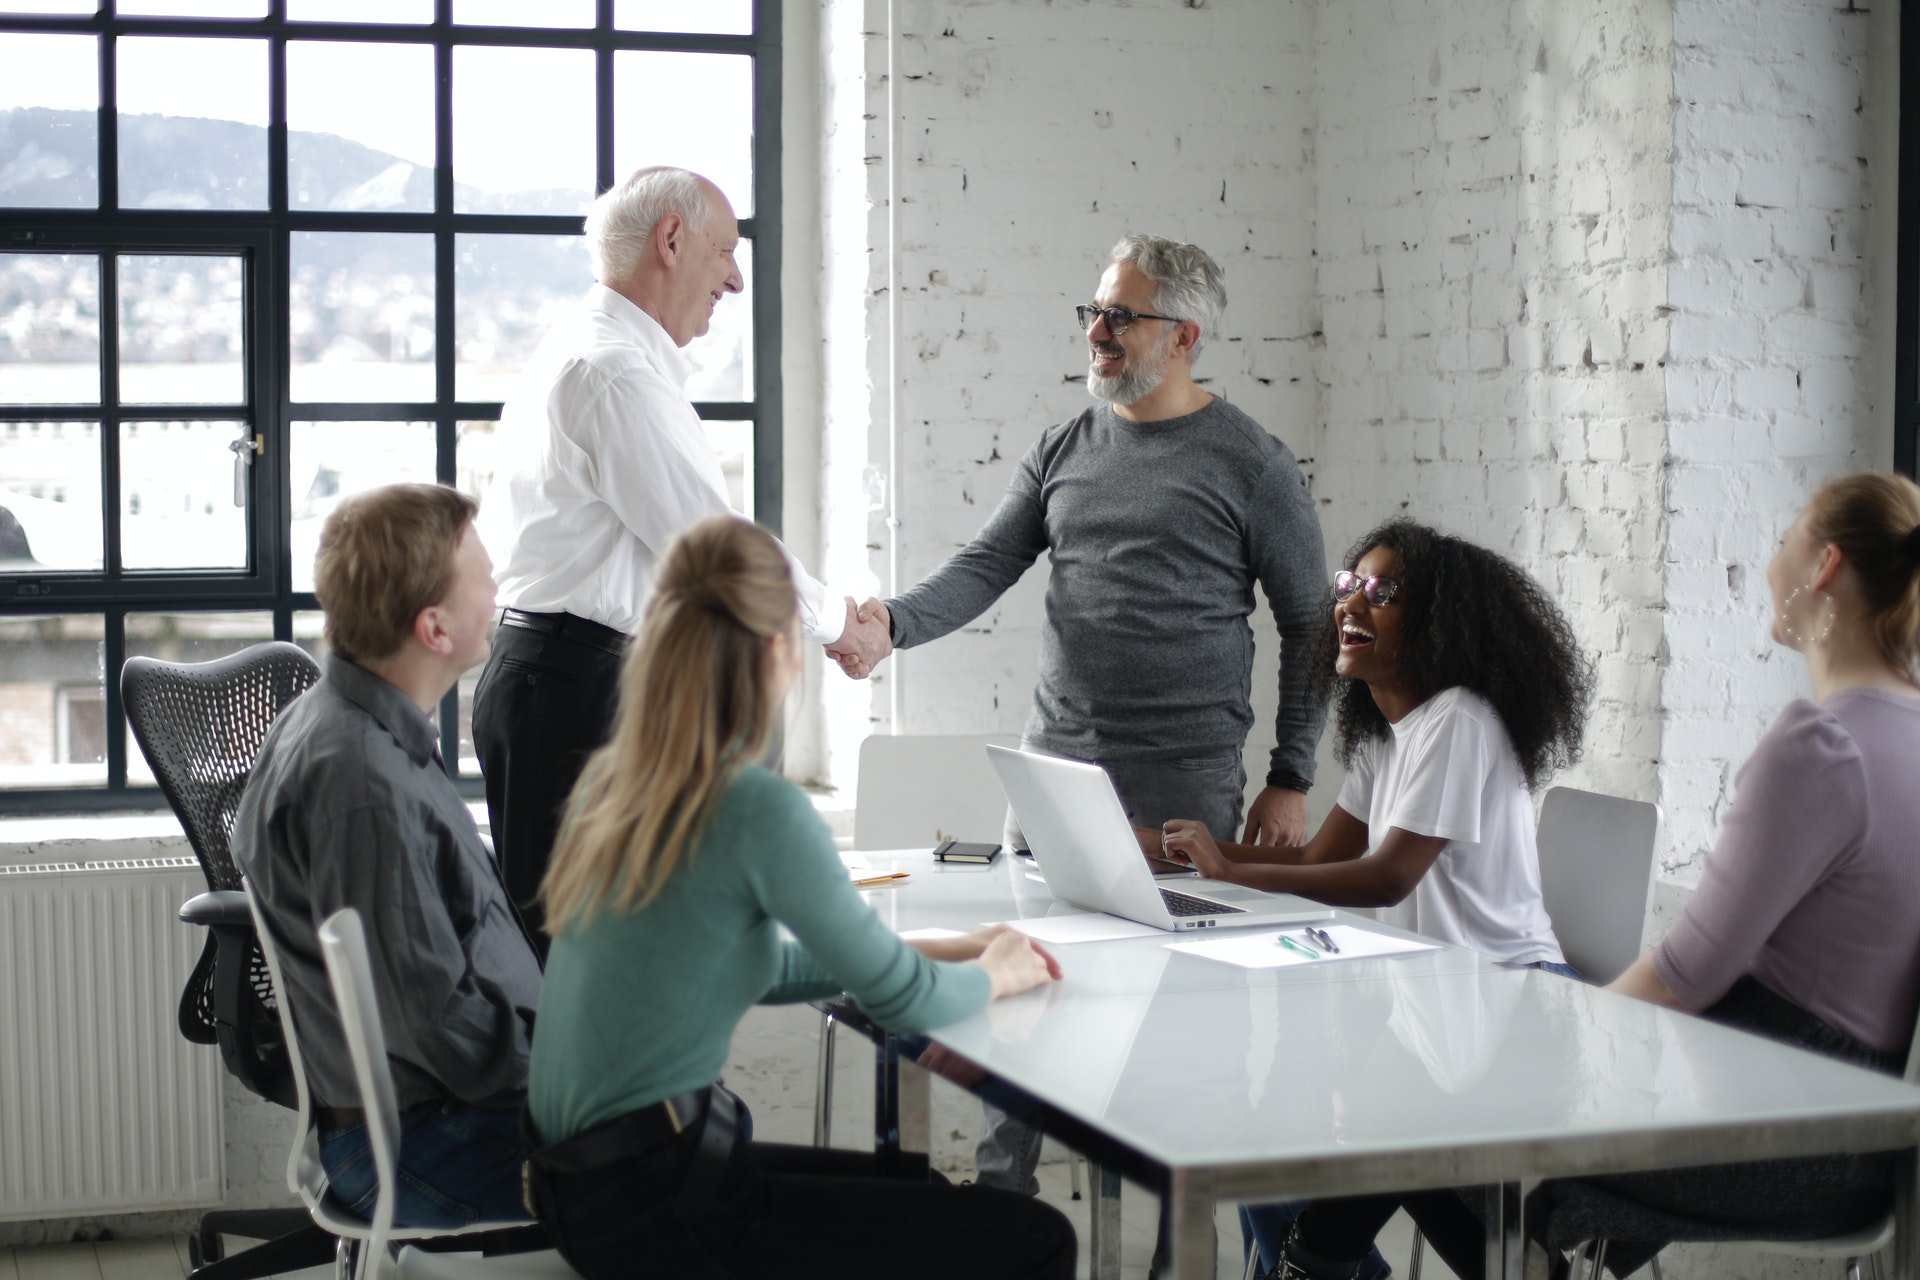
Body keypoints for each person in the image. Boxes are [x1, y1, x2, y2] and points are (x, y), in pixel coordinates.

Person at [838, 233, 1330, 1202]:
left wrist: (1293, 772)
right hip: (1055, 772)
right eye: (1093, 312)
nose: (1098, 332)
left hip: (1185, 778)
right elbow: (986, 564)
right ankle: (1001, 1222)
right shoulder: (1066, 444)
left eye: (1121, 315)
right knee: (1027, 1001)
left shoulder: (1253, 463)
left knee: (1182, 1030)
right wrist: (892, 623)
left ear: (1184, 335)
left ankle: (1170, 1239)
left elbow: (1311, 619)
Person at [522, 514, 1077, 1280]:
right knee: (1035, 1237)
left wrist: (946, 948)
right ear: (782, 650)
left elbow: (746, 965)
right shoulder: (754, 807)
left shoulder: (612, 783)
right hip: (657, 1204)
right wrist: (1002, 973)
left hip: (579, 1188)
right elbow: (906, 1003)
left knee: (912, 1189)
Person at [1153, 519, 1592, 1280]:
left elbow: (1386, 878)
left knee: (1353, 1200)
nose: (1352, 604)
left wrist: (1227, 872)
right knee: (1281, 1167)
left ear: (1439, 621)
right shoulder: (1389, 740)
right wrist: (1167, 851)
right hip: (1436, 1006)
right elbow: (1326, 859)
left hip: (1511, 1008)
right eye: (1348, 586)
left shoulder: (1459, 721)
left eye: (1383, 592)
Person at [1513, 471, 1920, 1280]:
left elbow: (1684, 976)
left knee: (1467, 1137)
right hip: (1860, 1143)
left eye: (1785, 539)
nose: (1773, 561)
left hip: (1774, 1133)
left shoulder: (1822, 747)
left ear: (1826, 566)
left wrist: (1545, 1059)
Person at [473, 166, 886, 947]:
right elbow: (713, 546)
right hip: (571, 695)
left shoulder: (591, 349)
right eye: (725, 251)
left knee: (598, 957)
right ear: (671, 241)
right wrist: (839, 624)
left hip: (567, 683)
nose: (734, 277)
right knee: (581, 967)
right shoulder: (614, 371)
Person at [235, 483, 541, 1228]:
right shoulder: (363, 785)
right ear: (434, 627)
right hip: (424, 1142)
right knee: (690, 1183)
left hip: (442, 1114)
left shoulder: (353, 721)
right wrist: (576, 1069)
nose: (499, 582)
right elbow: (441, 1027)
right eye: (483, 572)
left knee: (699, 1142)